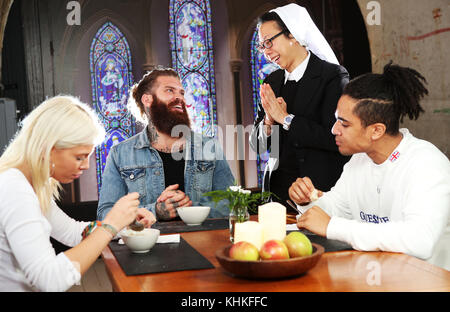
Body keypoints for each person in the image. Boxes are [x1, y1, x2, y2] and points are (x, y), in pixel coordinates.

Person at [289, 62, 450, 270]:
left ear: (376, 131)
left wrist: (332, 226)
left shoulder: (426, 164)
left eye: (344, 124)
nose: (333, 130)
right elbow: (337, 208)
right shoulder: (360, 159)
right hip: (377, 276)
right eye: (336, 120)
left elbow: (419, 241)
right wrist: (307, 201)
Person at [0, 95, 156, 292]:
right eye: (79, 157)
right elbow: (50, 280)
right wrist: (111, 225)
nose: (86, 166)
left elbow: (73, 232)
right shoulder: (15, 189)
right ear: (48, 147)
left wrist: (124, 224)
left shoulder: (30, 185)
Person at [97, 67, 234, 222]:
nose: (179, 98)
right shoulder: (120, 154)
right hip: (146, 244)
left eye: (181, 93)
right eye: (170, 91)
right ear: (147, 100)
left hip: (201, 242)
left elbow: (230, 202)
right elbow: (105, 214)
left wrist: (188, 209)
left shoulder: (210, 147)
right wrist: (155, 211)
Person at [249, 3, 350, 206]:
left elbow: (335, 138)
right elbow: (258, 146)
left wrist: (286, 119)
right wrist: (269, 122)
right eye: (262, 46)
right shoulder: (272, 82)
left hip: (317, 191)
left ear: (293, 35)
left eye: (269, 42)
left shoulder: (332, 77)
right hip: (277, 193)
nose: (266, 52)